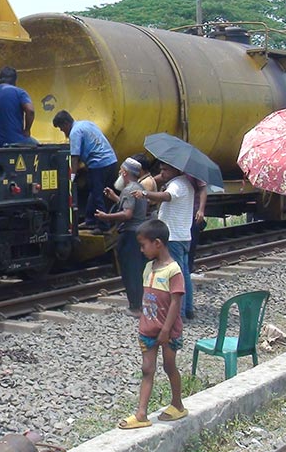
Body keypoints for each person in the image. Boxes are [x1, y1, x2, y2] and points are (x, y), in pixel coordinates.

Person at [117, 219, 187, 429]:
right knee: (147, 369)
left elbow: (175, 303)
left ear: (157, 243)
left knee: (169, 366)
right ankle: (141, 414)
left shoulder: (173, 270)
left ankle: (177, 404)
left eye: (143, 244)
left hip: (168, 331)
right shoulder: (148, 267)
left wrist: (166, 330)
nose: (141, 249)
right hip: (147, 329)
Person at [134, 162, 196, 320]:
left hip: (174, 236)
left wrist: (145, 193)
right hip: (183, 235)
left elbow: (167, 197)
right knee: (184, 274)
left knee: (176, 277)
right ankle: (188, 309)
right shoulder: (185, 183)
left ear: (176, 169)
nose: (162, 172)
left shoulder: (177, 184)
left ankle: (179, 314)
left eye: (165, 169)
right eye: (161, 169)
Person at [96, 158, 149, 314]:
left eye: (121, 170)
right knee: (137, 269)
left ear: (124, 172)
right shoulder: (138, 187)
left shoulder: (128, 189)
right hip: (139, 232)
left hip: (130, 234)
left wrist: (106, 217)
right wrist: (114, 197)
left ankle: (135, 307)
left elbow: (127, 214)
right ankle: (138, 304)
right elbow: (130, 207)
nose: (119, 172)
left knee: (130, 270)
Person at [52, 110, 118, 230]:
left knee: (98, 195)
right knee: (94, 192)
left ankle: (103, 227)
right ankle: (90, 220)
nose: (62, 131)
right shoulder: (86, 124)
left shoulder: (75, 132)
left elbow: (74, 157)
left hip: (99, 164)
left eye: (61, 128)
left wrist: (71, 177)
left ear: (66, 123)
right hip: (111, 161)